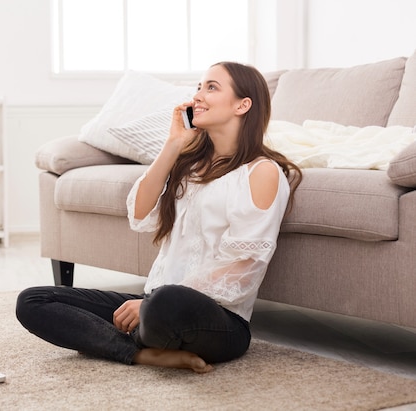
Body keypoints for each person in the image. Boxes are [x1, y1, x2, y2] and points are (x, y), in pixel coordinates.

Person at [16, 62, 302, 373]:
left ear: (242, 105)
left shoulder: (261, 172)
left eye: (211, 87)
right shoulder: (190, 165)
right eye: (198, 87)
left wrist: (151, 305)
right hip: (153, 303)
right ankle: (139, 353)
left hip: (215, 320)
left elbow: (243, 266)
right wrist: (173, 144)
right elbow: (139, 215)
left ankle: (127, 336)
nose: (198, 96)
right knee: (33, 301)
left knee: (168, 301)